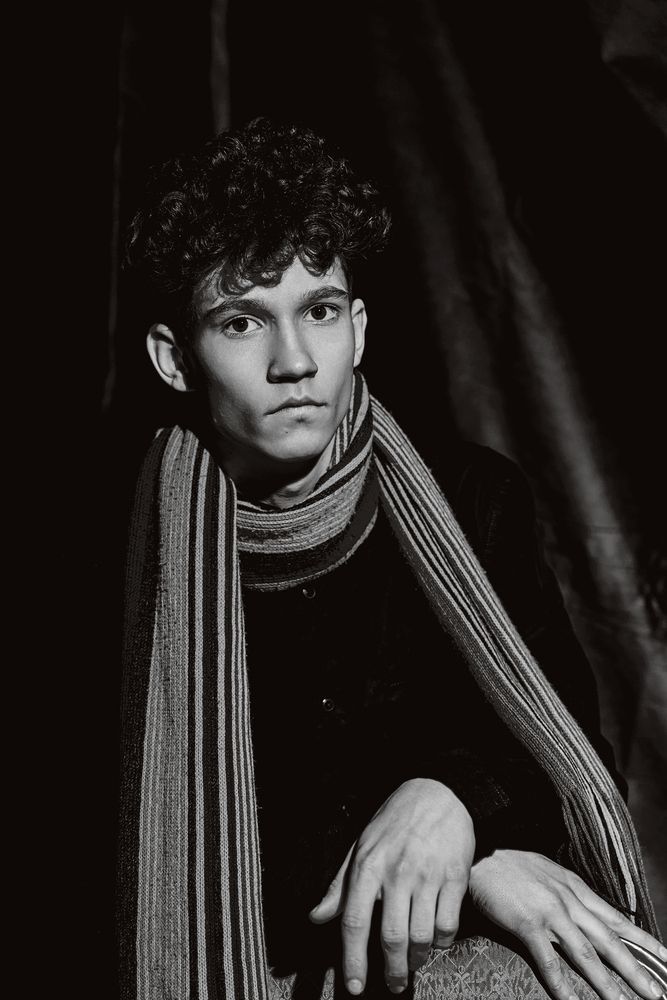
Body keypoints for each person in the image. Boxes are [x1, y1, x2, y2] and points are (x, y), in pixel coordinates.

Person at [119, 117, 665, 1000]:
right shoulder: (115, 550)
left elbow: (567, 748)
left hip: (428, 938)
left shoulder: (471, 496)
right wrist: (476, 859)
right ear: (175, 360)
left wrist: (454, 800)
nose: (295, 362)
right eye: (242, 322)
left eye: (320, 311)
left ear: (359, 328)